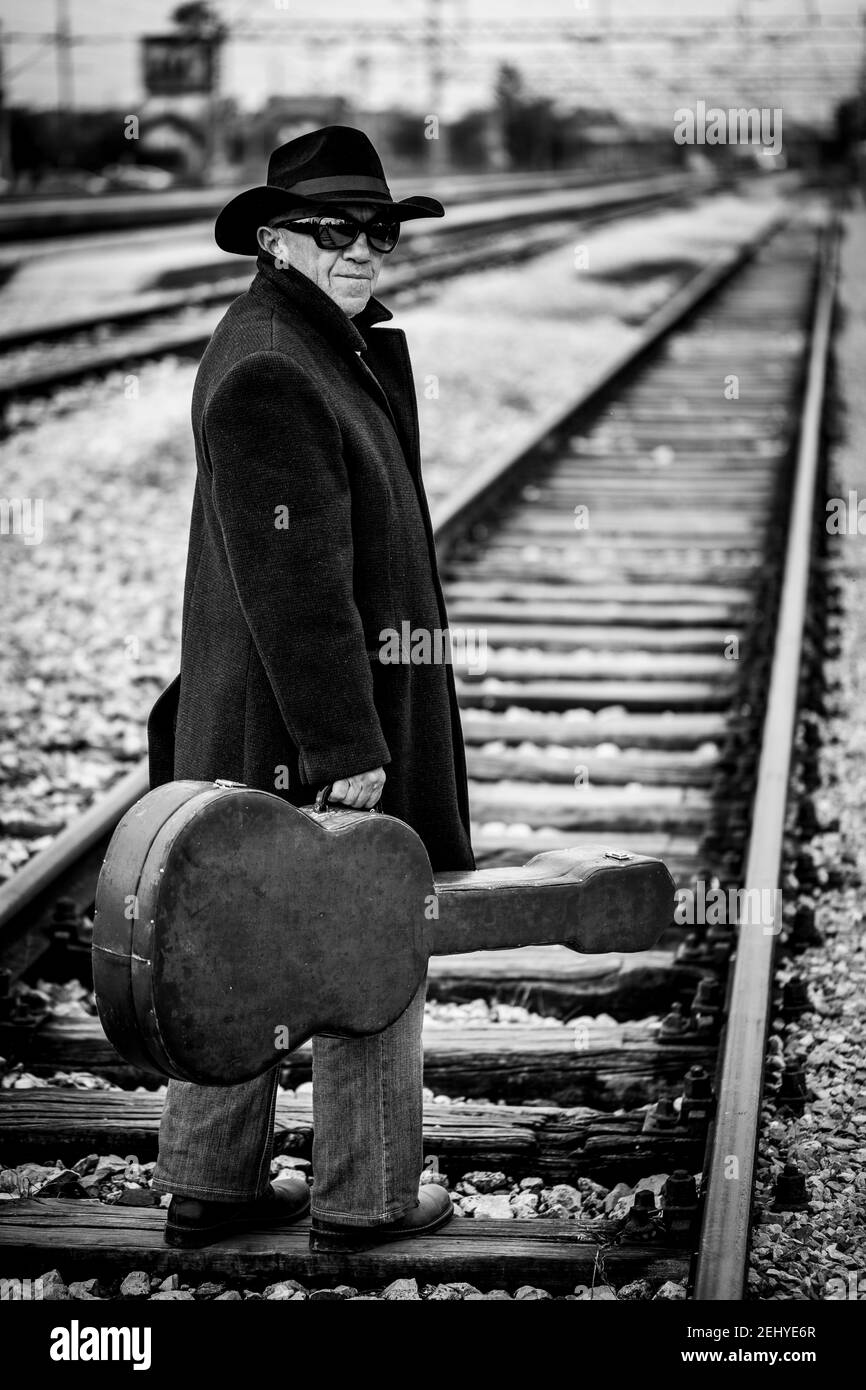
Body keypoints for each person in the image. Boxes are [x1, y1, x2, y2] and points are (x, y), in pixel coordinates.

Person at [146, 125, 475, 1253]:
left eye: (377, 230)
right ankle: (366, 1195)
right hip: (305, 724)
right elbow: (294, 583)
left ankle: (211, 1180)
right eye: (335, 230)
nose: (363, 248)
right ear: (277, 238)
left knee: (239, 930)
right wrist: (347, 745)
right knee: (366, 924)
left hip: (266, 719)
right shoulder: (275, 364)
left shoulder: (317, 343)